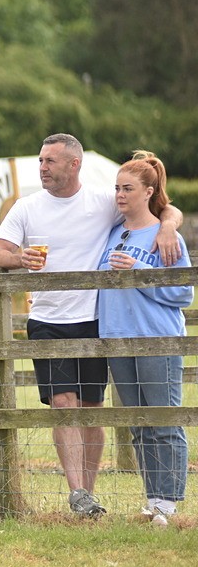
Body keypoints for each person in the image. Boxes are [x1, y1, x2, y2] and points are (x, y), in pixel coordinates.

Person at [0, 133, 183, 518]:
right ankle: (77, 493)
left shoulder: (103, 202)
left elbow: (159, 205)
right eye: (40, 161)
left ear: (73, 164)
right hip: (46, 321)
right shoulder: (27, 207)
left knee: (92, 408)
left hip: (95, 321)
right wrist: (19, 258)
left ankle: (92, 495)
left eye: (50, 161)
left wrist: (168, 228)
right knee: (63, 404)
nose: (42, 168)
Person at [97, 151, 191, 526]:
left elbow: (183, 293)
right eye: (117, 188)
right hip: (117, 339)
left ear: (149, 191)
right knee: (138, 423)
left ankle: (169, 503)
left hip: (157, 339)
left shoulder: (166, 236)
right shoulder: (112, 232)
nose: (120, 195)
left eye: (128, 188)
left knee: (164, 422)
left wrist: (139, 270)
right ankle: (152, 499)